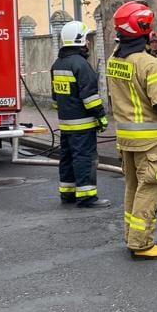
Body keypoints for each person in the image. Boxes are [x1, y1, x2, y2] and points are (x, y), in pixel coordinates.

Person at [106, 1, 157, 260]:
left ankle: (131, 235)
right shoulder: (149, 64)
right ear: (143, 28)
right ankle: (141, 244)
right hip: (150, 141)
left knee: (133, 187)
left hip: (125, 139)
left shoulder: (113, 61)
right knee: (149, 190)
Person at [51, 21, 110, 208]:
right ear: (81, 40)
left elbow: (55, 98)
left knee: (67, 158)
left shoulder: (57, 64)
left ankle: (67, 194)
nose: (89, 44)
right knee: (84, 158)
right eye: (86, 40)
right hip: (83, 124)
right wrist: (101, 116)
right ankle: (87, 197)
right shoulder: (81, 65)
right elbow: (90, 97)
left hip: (65, 123)